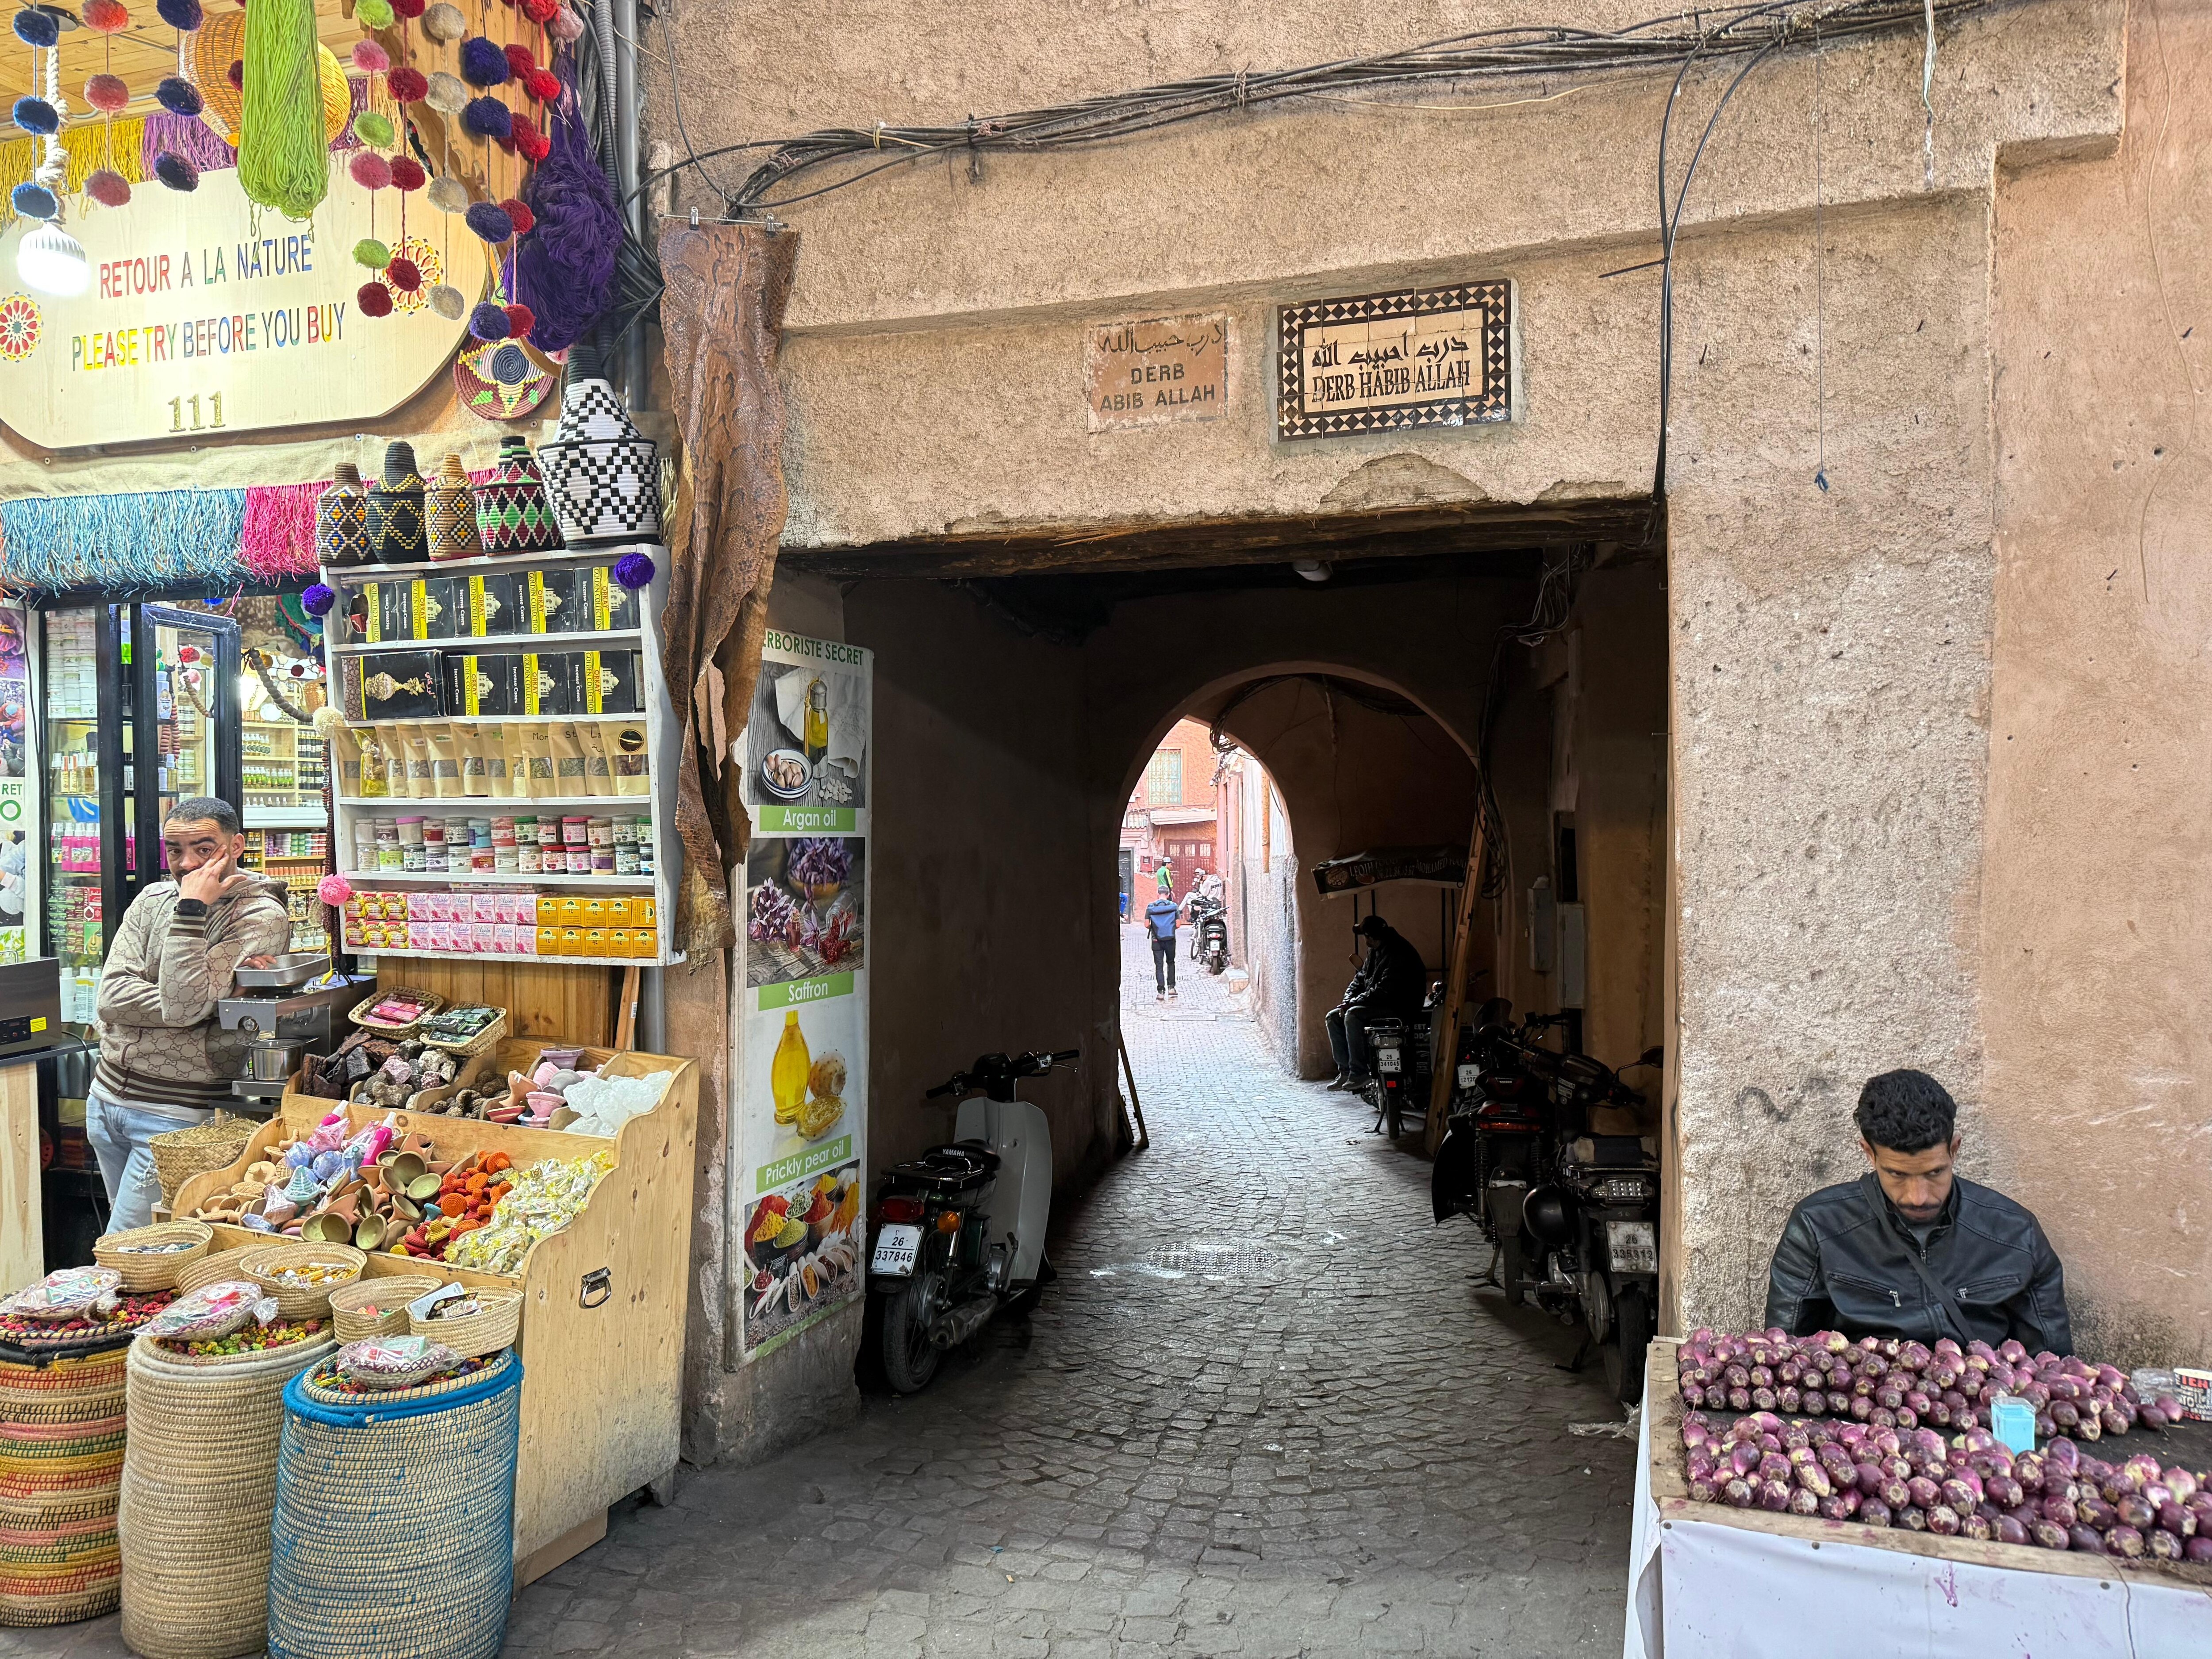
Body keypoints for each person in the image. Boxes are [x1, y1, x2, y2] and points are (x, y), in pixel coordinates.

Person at [86, 798, 290, 1230]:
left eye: (203, 848)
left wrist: (192, 909)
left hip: (173, 1115)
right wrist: (205, 1003)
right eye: (175, 850)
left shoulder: (260, 915)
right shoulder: (151, 898)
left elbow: (182, 1006)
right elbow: (110, 995)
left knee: (123, 1246)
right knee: (138, 1247)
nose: (186, 864)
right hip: (104, 1101)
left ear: (236, 845)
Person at [1764, 1069, 2072, 1352]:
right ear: (1869, 1154)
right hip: (1861, 1403)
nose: (1919, 1197)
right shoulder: (1819, 1226)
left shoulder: (2015, 1232)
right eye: (1897, 1175)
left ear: (1955, 1150)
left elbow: (2052, 1368)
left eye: (1934, 1173)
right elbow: (1788, 1357)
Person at [1324, 914, 1427, 1091]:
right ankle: (1346, 1072)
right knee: (1333, 1018)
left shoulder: (1399, 953)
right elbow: (1361, 979)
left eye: (1366, 936)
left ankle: (1359, 1072)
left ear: (1371, 937)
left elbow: (1384, 991)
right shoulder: (1376, 950)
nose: (1365, 941)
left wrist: (1352, 1004)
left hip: (1400, 1006)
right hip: (1379, 1003)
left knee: (1353, 1016)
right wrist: (1347, 1000)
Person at [1143, 890, 1180, 1001]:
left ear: (1158, 894)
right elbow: (1178, 924)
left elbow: (1146, 924)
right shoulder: (1173, 906)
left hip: (1156, 940)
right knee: (1171, 962)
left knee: (1159, 965)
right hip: (1170, 939)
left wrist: (1156, 929)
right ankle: (1172, 988)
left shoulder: (1151, 906)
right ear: (1168, 895)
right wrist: (1169, 929)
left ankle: (1161, 991)